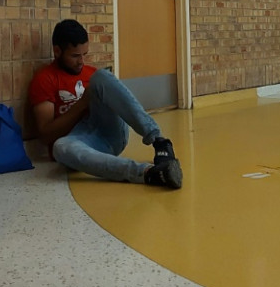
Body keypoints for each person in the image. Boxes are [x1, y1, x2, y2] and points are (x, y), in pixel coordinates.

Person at [28, 19, 183, 189]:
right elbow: (45, 136)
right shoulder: (45, 79)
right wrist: (82, 104)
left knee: (102, 76)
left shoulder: (93, 75)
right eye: (75, 56)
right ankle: (150, 174)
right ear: (57, 51)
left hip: (110, 132)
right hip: (81, 145)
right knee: (59, 148)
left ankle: (160, 142)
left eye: (84, 55)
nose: (81, 61)